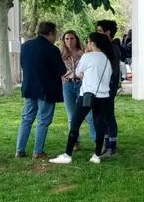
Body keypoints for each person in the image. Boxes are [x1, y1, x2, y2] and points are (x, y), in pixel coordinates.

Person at [49, 32, 116, 164]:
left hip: (87, 94)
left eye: (88, 42)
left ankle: (67, 154)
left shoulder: (87, 56)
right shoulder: (108, 59)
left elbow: (79, 73)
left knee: (75, 123)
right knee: (99, 124)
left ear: (92, 43)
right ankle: (96, 155)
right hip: (103, 96)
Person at [16, 22, 66, 159]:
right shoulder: (52, 49)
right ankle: (38, 151)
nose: (55, 37)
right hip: (47, 89)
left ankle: (19, 150)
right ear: (50, 33)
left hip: (29, 87)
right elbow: (61, 70)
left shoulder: (25, 46)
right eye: (55, 34)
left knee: (26, 118)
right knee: (43, 120)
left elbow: (22, 64)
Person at [59, 30, 96, 148]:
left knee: (89, 113)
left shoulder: (84, 53)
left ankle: (96, 139)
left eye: (72, 38)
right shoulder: (61, 54)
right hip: (68, 85)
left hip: (82, 84)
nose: (69, 41)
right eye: (67, 39)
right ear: (64, 41)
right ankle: (75, 141)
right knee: (71, 116)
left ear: (76, 39)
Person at [96, 19, 121, 157]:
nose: (98, 33)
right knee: (103, 115)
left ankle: (112, 147)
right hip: (102, 86)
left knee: (109, 115)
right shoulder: (105, 47)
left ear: (108, 32)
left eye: (100, 31)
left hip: (109, 87)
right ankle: (106, 144)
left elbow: (113, 70)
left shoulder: (113, 48)